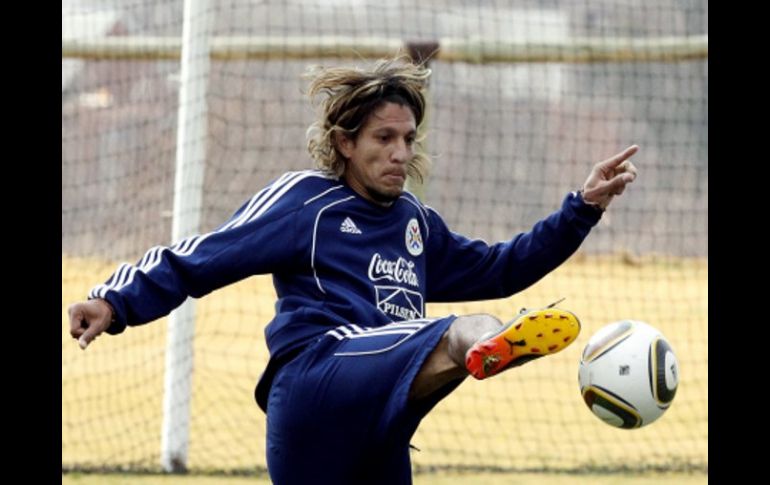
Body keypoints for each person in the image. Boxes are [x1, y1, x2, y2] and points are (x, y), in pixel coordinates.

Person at [68, 56, 637, 484]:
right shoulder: (308, 204)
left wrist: (580, 210)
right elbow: (205, 255)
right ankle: (488, 343)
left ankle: (480, 349)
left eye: (408, 139)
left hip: (379, 425)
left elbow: (498, 266)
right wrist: (115, 302)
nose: (400, 153)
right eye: (384, 138)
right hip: (315, 384)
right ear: (344, 143)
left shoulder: (416, 222)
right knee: (461, 326)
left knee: (455, 324)